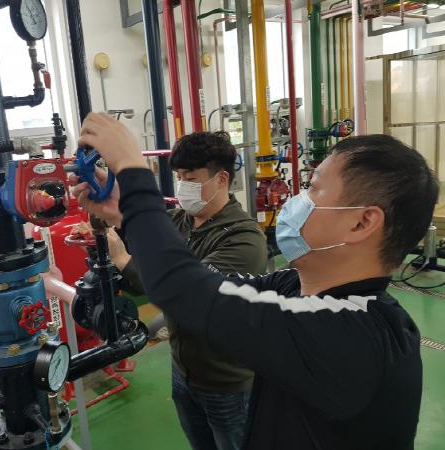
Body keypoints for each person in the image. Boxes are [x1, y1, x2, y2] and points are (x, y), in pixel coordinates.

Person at [72, 113, 438, 450]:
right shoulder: (297, 287)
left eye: (313, 188)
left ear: (361, 222)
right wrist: (125, 212)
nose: (296, 200)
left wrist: (133, 174)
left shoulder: (351, 335)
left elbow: (186, 289)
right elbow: (209, 288)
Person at [72, 131, 267, 450]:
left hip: (227, 383)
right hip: (182, 372)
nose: (182, 185)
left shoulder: (244, 239)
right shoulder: (180, 221)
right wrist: (110, 206)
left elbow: (188, 295)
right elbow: (141, 235)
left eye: (190, 178)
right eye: (178, 177)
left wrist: (121, 257)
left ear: (221, 179)